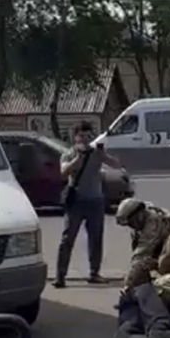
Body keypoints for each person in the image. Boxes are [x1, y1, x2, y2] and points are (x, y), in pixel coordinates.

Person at [53, 121, 123, 288]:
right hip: (76, 201)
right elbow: (64, 172)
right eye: (81, 136)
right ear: (75, 137)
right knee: (67, 239)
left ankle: (94, 273)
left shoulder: (97, 153)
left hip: (95, 201)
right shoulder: (69, 154)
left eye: (87, 136)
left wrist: (103, 154)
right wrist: (78, 159)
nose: (84, 139)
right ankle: (60, 276)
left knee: (96, 239)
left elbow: (117, 165)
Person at [113, 198, 170, 338]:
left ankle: (147, 326)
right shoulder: (146, 223)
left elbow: (141, 256)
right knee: (137, 288)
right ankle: (134, 326)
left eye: (132, 222)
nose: (132, 226)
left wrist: (129, 283)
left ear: (139, 215)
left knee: (139, 285)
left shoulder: (153, 224)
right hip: (166, 265)